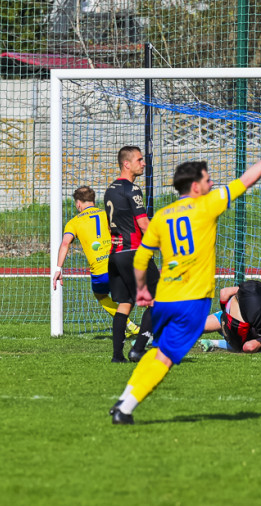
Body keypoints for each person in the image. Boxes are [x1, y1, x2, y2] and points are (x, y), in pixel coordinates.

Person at [108, 131, 261, 424]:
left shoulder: (163, 215)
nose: (212, 184)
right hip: (191, 302)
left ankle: (124, 400)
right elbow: (248, 179)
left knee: (159, 353)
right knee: (165, 358)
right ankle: (125, 409)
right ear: (195, 186)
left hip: (165, 298)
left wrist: (142, 289)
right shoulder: (207, 205)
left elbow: (143, 256)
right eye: (208, 180)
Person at [52, 186, 139, 338]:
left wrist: (59, 268)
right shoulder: (106, 214)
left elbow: (65, 244)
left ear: (78, 203)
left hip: (100, 270)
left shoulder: (74, 222)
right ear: (93, 200)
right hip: (119, 263)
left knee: (100, 295)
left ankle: (129, 325)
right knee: (131, 294)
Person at [103, 146, 159, 363]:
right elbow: (143, 224)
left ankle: (117, 356)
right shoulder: (132, 189)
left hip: (116, 254)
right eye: (139, 160)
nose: (143, 163)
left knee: (125, 304)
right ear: (126, 164)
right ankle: (138, 348)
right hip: (134, 253)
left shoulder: (110, 189)